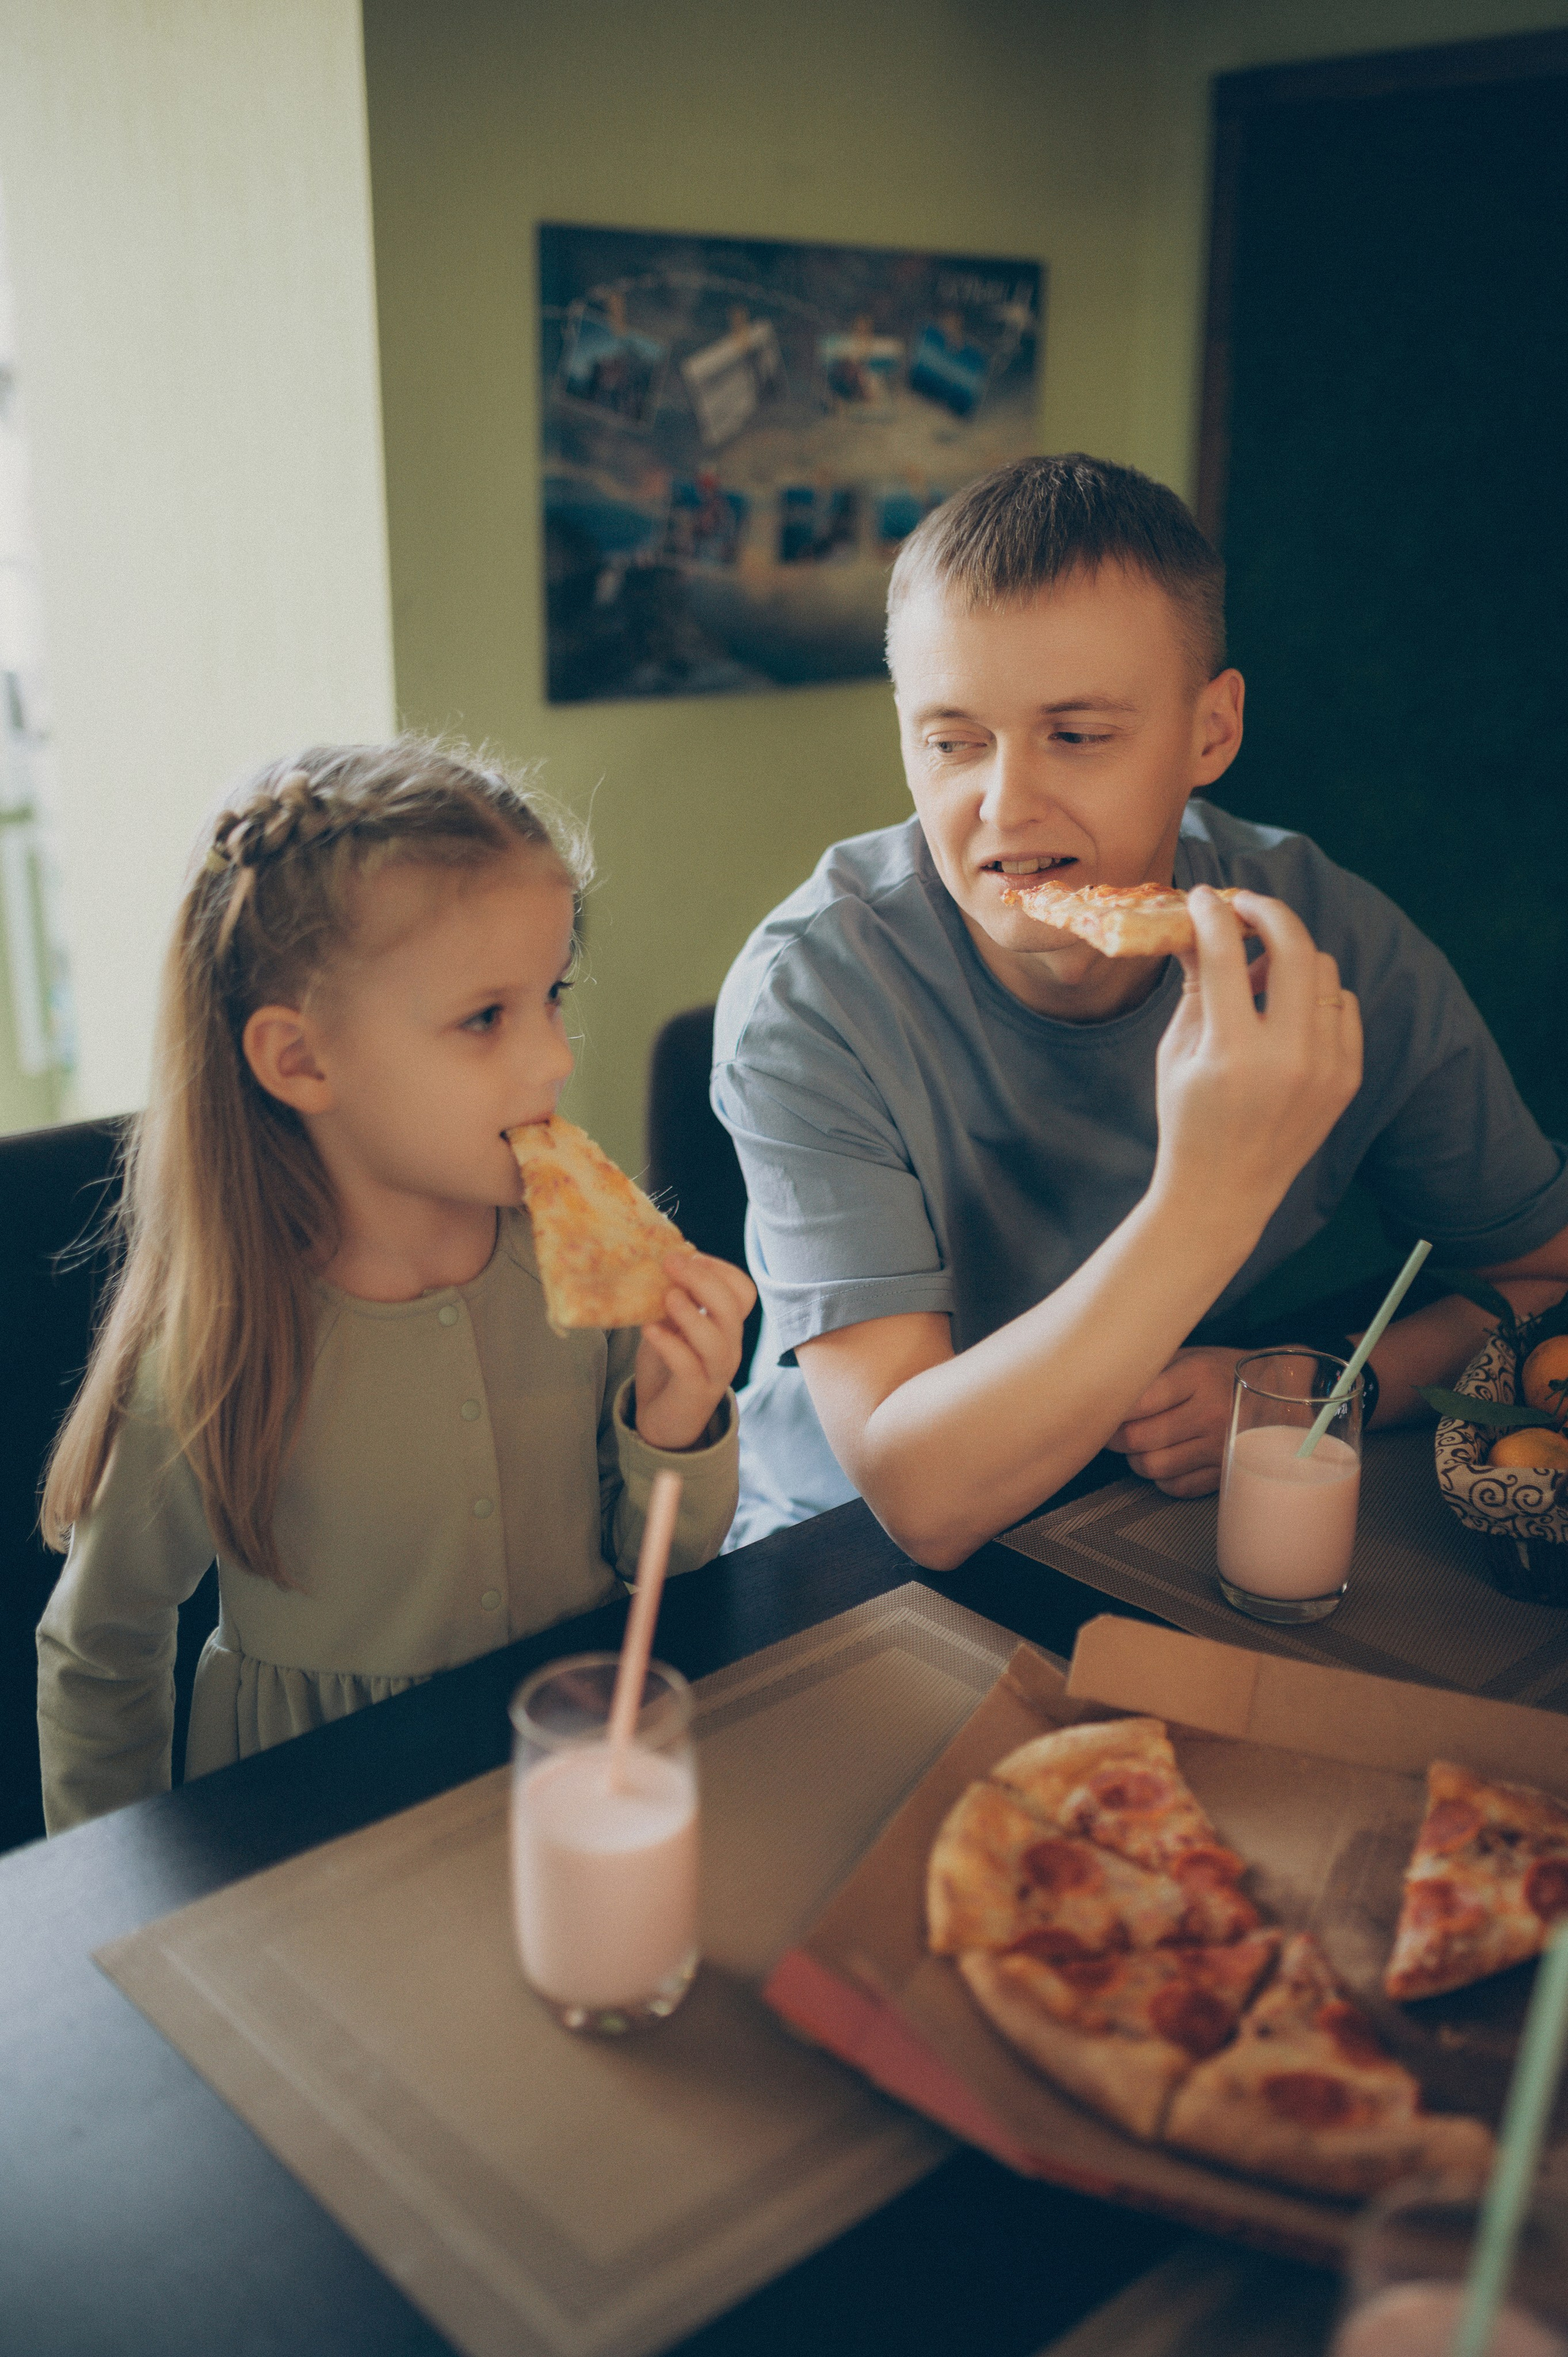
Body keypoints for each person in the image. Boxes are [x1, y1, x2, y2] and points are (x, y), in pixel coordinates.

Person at [714, 454, 1568, 1565]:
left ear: (1211, 732)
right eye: (952, 739)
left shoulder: (1328, 945)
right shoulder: (813, 998)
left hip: (1153, 1523)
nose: (1005, 806)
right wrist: (1214, 1188)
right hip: (830, 1555)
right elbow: (920, 1500)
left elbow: (1540, 1276)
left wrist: (1316, 1390)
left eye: (1078, 734)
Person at [37, 741, 753, 1832]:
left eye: (553, 995)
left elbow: (654, 1562)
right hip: (311, 1818)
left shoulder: (587, 1258)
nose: (555, 1058)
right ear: (302, 1062)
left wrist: (677, 1424)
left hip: (570, 1771)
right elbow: (102, 1652)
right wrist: (112, 1910)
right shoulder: (219, 1343)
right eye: (487, 1018)